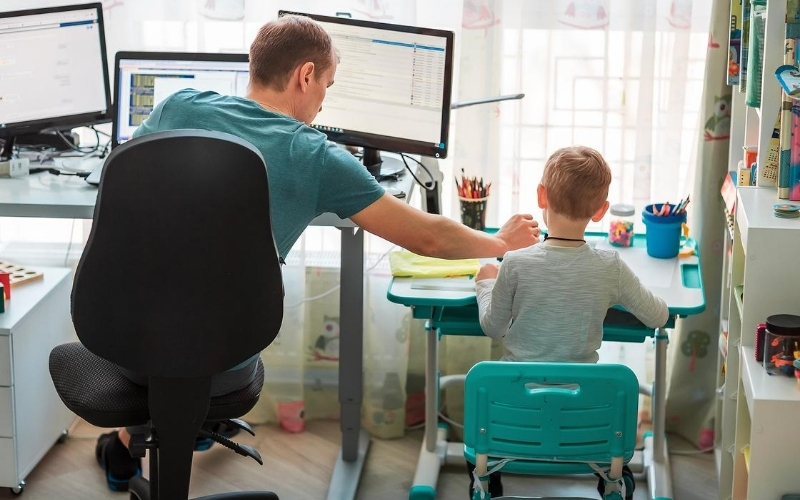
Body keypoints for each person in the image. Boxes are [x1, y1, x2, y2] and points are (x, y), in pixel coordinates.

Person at [94, 14, 542, 491]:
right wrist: (499, 243)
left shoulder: (178, 105)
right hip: (221, 355)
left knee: (173, 327)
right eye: (327, 84)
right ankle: (186, 422)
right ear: (305, 76)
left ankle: (133, 440)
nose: (325, 98)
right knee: (199, 338)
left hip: (121, 335)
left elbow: (120, 177)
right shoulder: (315, 156)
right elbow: (427, 237)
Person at [468, 146, 669, 500]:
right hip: (585, 423)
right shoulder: (610, 267)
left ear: (541, 196)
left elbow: (493, 326)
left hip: (514, 418)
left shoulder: (514, 264)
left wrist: (486, 282)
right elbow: (659, 316)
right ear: (600, 212)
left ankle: (492, 478)